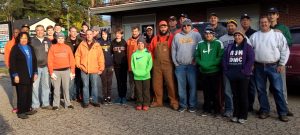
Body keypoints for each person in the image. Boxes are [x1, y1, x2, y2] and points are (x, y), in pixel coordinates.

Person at [249, 16, 290, 122]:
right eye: (262, 22)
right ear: (259, 24)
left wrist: (281, 64)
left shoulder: (277, 35)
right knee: (261, 90)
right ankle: (264, 110)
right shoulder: (254, 36)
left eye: (266, 22)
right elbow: (249, 51)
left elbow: (284, 50)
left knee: (278, 90)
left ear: (269, 23)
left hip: (274, 66)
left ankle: (282, 112)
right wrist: (251, 63)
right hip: (258, 66)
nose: (264, 24)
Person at [222, 30, 254, 124]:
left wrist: (244, 72)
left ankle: (243, 115)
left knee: (243, 95)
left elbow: (251, 60)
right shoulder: (230, 46)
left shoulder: (247, 47)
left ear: (243, 37)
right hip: (232, 75)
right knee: (235, 96)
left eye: (239, 35)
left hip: (243, 75)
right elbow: (224, 59)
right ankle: (236, 114)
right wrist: (227, 71)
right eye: (235, 35)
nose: (237, 37)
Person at [267, 7, 293, 116]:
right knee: (265, 88)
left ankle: (285, 107)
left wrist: (280, 33)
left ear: (277, 15)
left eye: (274, 13)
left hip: (278, 63)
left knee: (281, 87)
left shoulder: (283, 27)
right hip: (266, 62)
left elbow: (290, 42)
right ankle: (265, 108)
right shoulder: (265, 27)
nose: (271, 15)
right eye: (270, 14)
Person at [172, 19, 202, 112]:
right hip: (180, 66)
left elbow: (200, 48)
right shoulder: (177, 36)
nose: (186, 27)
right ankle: (183, 105)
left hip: (191, 66)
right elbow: (173, 50)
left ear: (191, 26)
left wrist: (196, 61)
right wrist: (175, 63)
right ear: (182, 27)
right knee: (181, 87)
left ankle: (192, 105)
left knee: (192, 86)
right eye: (184, 26)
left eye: (188, 25)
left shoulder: (196, 35)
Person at [149, 20, 179, 110]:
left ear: (167, 27)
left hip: (168, 64)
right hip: (157, 65)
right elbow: (150, 51)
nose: (163, 28)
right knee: (156, 84)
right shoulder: (155, 38)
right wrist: (151, 63)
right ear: (159, 28)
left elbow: (176, 50)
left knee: (171, 84)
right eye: (161, 27)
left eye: (164, 27)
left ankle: (173, 101)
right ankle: (158, 101)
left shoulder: (172, 38)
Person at [195, 26, 224, 117]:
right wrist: (202, 64)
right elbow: (197, 56)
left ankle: (217, 110)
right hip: (204, 72)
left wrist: (209, 65)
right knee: (206, 92)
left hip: (215, 72)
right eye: (206, 33)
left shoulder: (218, 43)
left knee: (216, 92)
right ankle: (206, 109)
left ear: (213, 34)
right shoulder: (200, 44)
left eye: (210, 33)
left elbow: (220, 57)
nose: (208, 35)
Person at [9, 32, 38, 119]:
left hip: (30, 75)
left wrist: (35, 72)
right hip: (20, 75)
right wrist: (15, 75)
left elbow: (34, 61)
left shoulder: (30, 47)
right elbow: (12, 63)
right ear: (19, 39)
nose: (24, 40)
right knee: (22, 93)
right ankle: (21, 112)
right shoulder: (15, 48)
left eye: (25, 38)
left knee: (29, 93)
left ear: (28, 39)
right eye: (22, 38)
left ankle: (27, 109)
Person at [75, 30, 105, 108]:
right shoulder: (82, 44)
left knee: (94, 85)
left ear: (92, 35)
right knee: (85, 86)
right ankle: (86, 101)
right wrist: (79, 65)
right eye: (87, 34)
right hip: (84, 69)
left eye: (90, 34)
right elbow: (77, 55)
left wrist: (101, 68)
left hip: (94, 69)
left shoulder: (97, 45)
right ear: (85, 35)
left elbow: (100, 57)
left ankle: (95, 101)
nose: (88, 36)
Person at [48, 32, 75, 110]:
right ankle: (56, 104)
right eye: (59, 38)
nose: (60, 39)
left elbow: (72, 60)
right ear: (56, 39)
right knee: (56, 89)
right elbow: (50, 60)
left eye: (62, 38)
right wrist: (51, 72)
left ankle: (68, 103)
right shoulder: (53, 47)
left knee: (66, 88)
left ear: (64, 39)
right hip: (55, 71)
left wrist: (72, 71)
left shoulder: (67, 48)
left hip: (66, 71)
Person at [219, 19, 238, 117]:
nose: (230, 27)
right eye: (229, 26)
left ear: (236, 27)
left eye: (232, 26)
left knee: (238, 90)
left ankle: (238, 109)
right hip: (226, 69)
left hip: (238, 69)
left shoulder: (242, 37)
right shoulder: (222, 39)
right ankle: (229, 109)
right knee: (227, 90)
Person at [31, 25, 52, 110]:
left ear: (44, 31)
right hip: (35, 67)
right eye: (38, 30)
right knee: (35, 86)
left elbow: (51, 53)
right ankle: (35, 104)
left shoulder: (48, 41)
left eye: (41, 30)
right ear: (35, 31)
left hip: (46, 67)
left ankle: (45, 103)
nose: (40, 32)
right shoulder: (32, 40)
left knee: (46, 85)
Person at [239, 13, 257, 113]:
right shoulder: (238, 32)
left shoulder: (254, 33)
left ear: (250, 21)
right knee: (242, 86)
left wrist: (252, 63)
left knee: (250, 86)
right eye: (243, 20)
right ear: (241, 22)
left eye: (247, 19)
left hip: (250, 64)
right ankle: (242, 104)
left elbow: (255, 50)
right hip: (239, 64)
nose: (245, 21)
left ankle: (250, 106)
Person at [131, 38, 153, 111]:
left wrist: (146, 72)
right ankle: (139, 104)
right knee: (138, 91)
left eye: (142, 43)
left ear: (144, 45)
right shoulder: (134, 54)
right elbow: (132, 65)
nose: (140, 45)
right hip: (137, 76)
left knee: (146, 91)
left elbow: (150, 64)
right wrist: (135, 72)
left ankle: (146, 104)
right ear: (137, 45)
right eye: (139, 43)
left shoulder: (148, 54)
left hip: (146, 75)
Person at [4, 28, 20, 113]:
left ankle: (23, 104)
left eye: (18, 32)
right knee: (15, 87)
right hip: (13, 69)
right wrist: (9, 67)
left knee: (23, 87)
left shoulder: (22, 42)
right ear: (13, 34)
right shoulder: (9, 44)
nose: (16, 34)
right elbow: (6, 57)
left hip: (22, 69)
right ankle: (15, 106)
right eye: (15, 32)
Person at [65, 26, 83, 101]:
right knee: (71, 81)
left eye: (75, 31)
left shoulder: (81, 40)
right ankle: (70, 96)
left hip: (78, 63)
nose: (74, 33)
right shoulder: (66, 41)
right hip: (69, 64)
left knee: (78, 81)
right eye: (72, 31)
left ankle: (78, 95)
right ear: (69, 32)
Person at [111, 28, 128, 104]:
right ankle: (119, 96)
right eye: (117, 33)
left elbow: (127, 53)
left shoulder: (124, 42)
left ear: (122, 34)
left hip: (124, 65)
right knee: (118, 81)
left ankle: (123, 97)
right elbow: (111, 53)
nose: (118, 35)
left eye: (119, 33)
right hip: (116, 65)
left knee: (123, 81)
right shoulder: (113, 42)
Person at [99, 30, 114, 105]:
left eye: (105, 34)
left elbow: (113, 53)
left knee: (110, 82)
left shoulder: (110, 42)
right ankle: (104, 97)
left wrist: (113, 65)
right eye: (102, 34)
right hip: (102, 66)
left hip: (110, 65)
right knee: (104, 82)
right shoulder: (99, 43)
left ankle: (109, 97)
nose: (104, 35)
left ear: (107, 35)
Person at [127, 26, 141, 102]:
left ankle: (138, 97)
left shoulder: (141, 40)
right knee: (131, 82)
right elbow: (126, 53)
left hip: (138, 66)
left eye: (136, 31)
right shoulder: (129, 40)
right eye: (133, 31)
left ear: (138, 31)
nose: (134, 33)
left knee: (138, 82)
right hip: (130, 66)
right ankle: (132, 96)